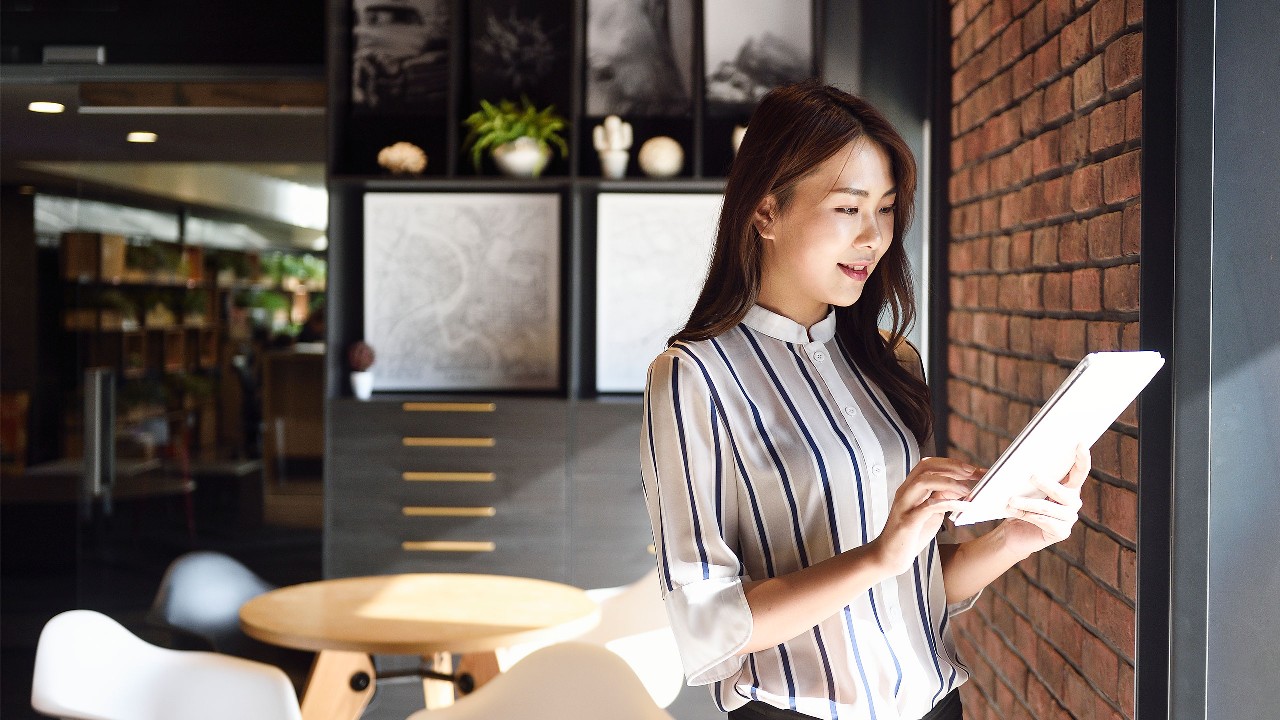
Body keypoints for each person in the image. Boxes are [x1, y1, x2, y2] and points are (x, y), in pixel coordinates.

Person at [640, 80, 1089, 720]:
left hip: (936, 706)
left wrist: (1017, 537)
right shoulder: (692, 376)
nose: (874, 237)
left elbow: (920, 578)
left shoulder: (891, 359)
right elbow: (706, 625)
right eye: (848, 208)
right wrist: (879, 554)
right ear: (765, 212)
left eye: (885, 209)